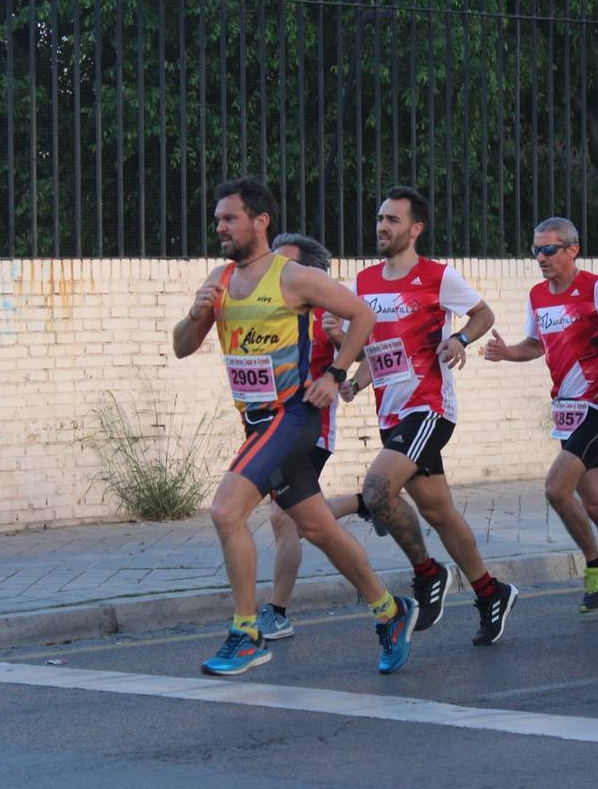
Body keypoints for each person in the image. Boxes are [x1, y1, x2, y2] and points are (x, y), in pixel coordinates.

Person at [171, 177, 416, 676]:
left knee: (224, 510)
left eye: (230, 218)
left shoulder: (293, 278)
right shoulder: (219, 280)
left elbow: (362, 314)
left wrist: (334, 373)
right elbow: (181, 346)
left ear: (260, 222)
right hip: (255, 421)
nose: (220, 227)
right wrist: (196, 316)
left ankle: (246, 632)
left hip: (291, 418)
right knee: (317, 527)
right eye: (218, 219)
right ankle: (390, 612)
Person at [343, 186, 518, 646]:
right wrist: (353, 382)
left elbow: (483, 313)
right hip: (391, 411)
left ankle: (427, 572)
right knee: (439, 511)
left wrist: (460, 339)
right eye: (380, 218)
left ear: (415, 229)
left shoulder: (437, 277)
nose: (382, 226)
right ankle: (490, 591)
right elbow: (374, 351)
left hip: (429, 408)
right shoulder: (363, 283)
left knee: (378, 490)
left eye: (393, 220)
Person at [483, 217, 598, 612]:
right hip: (568, 411)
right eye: (536, 249)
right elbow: (535, 345)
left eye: (549, 249)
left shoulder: (597, 288)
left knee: (556, 488)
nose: (540, 257)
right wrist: (508, 353)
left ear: (572, 250)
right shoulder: (538, 295)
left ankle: (595, 566)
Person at [253, 233, 345, 640]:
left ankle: (276, 611)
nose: (278, 272)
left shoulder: (331, 313)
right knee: (303, 518)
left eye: (286, 265)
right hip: (273, 428)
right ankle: (368, 503)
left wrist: (341, 348)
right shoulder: (271, 308)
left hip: (312, 429)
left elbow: (368, 352)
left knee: (283, 516)